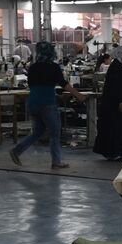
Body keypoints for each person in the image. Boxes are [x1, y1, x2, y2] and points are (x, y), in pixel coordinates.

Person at [10, 41, 84, 170]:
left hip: (33, 102)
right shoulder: (53, 67)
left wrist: (55, 94)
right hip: (47, 103)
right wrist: (78, 95)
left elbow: (36, 86)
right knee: (55, 132)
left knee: (38, 132)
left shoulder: (32, 67)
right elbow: (63, 83)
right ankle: (56, 161)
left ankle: (17, 150)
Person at [93, 45, 122, 161]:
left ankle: (114, 152)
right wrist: (121, 101)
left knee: (114, 128)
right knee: (116, 128)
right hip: (115, 105)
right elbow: (117, 87)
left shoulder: (117, 66)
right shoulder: (117, 68)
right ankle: (114, 152)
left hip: (113, 104)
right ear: (121, 55)